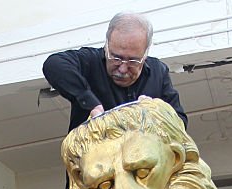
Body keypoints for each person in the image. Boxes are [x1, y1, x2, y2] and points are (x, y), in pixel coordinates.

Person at [43, 12, 186, 133]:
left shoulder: (158, 71)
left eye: (133, 61)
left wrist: (156, 112)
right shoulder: (90, 61)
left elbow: (180, 123)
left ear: (145, 54)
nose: (123, 68)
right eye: (116, 58)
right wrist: (90, 103)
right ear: (106, 46)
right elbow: (53, 64)